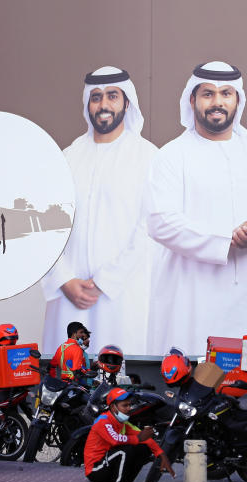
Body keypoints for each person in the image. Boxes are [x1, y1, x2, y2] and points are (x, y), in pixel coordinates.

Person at [145, 61, 247, 354]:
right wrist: (228, 239)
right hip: (189, 302)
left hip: (246, 302)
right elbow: (160, 221)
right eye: (208, 94)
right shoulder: (172, 156)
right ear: (192, 100)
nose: (218, 102)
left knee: (245, 387)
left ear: (237, 100)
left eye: (226, 94)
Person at [41, 66, 159, 356]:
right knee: (66, 378)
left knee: (120, 381)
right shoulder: (68, 156)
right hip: (68, 297)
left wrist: (106, 281)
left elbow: (150, 230)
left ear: (127, 103)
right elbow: (46, 225)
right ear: (87, 104)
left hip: (122, 296)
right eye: (96, 97)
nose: (103, 105)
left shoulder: (148, 157)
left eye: (112, 96)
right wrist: (63, 279)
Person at [84, 387, 174, 482]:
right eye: (124, 406)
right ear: (113, 407)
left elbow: (145, 439)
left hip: (108, 464)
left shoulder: (123, 423)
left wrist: (161, 455)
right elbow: (115, 440)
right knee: (125, 450)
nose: (129, 409)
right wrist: (138, 439)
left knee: (143, 449)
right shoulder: (103, 421)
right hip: (95, 470)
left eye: (129, 405)